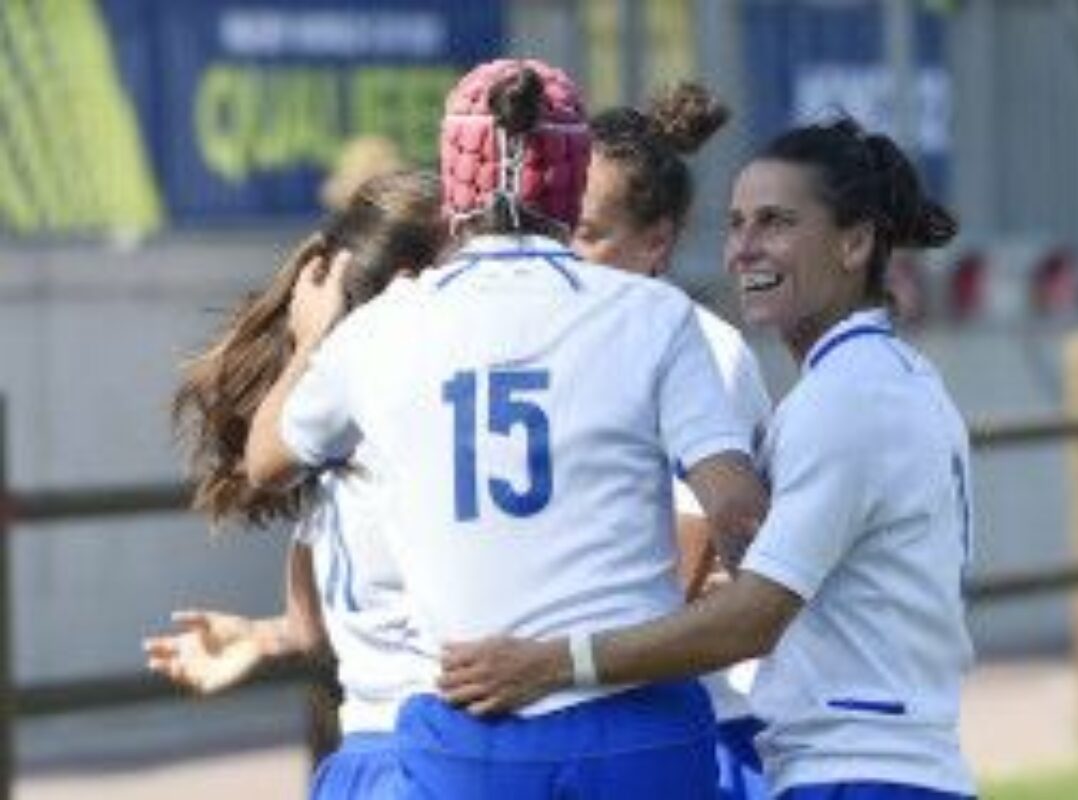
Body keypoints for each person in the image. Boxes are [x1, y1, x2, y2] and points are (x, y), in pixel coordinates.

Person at [244, 58, 767, 799]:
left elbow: (265, 460)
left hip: (472, 730)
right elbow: (739, 513)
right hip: (635, 728)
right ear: (572, 173)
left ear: (453, 186)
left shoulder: (387, 327)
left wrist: (308, 343)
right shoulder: (653, 314)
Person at [440, 116, 979, 800]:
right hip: (879, 766)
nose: (743, 251)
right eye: (736, 225)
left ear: (856, 241)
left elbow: (753, 615)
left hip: (858, 773)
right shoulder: (884, 378)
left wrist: (550, 665)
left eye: (776, 222)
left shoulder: (844, 398)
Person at [144, 168, 445, 798]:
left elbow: (312, 623)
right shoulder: (426, 435)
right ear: (408, 290)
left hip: (369, 761)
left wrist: (263, 635)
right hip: (439, 757)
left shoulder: (337, 442)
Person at [573, 81, 773, 799]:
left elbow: (681, 567)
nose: (566, 253)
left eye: (590, 235)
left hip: (712, 720)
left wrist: (546, 653)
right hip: (614, 701)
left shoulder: (701, 350)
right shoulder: (560, 344)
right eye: (557, 225)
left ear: (657, 242)